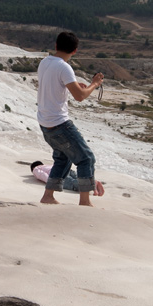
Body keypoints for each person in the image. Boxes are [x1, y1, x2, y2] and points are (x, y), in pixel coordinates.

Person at [36, 31, 104, 206]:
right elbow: (80, 97)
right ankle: (85, 201)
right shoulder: (64, 67)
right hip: (59, 123)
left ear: (56, 46)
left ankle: (48, 196)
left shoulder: (45, 62)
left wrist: (70, 87)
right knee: (86, 158)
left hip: (45, 122)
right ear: (75, 51)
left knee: (63, 158)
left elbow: (54, 86)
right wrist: (94, 84)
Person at [30, 161, 105, 197]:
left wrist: (51, 182)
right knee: (80, 177)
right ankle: (93, 184)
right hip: (67, 170)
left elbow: (42, 175)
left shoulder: (36, 169)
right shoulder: (47, 165)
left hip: (59, 175)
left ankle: (93, 183)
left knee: (73, 184)